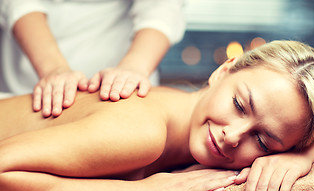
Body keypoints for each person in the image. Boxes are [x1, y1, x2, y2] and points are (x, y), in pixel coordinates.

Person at [0, 40, 314, 191]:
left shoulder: (184, 126)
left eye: (262, 140)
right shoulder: (142, 133)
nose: (234, 135)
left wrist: (299, 157)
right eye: (240, 105)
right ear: (223, 71)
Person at [0, 0, 185, 117]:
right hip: (26, 85)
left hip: (125, 87)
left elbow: (163, 7)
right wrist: (53, 69)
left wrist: (134, 67)